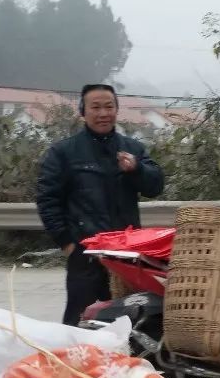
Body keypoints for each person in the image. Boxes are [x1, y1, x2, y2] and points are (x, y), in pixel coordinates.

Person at [36, 84, 165, 325]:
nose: (103, 113)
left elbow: (155, 187)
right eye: (95, 107)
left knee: (127, 321)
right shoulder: (63, 152)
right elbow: (47, 200)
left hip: (125, 255)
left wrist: (136, 169)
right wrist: (66, 243)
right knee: (80, 321)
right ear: (83, 112)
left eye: (109, 107)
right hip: (85, 253)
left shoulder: (132, 149)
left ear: (117, 111)